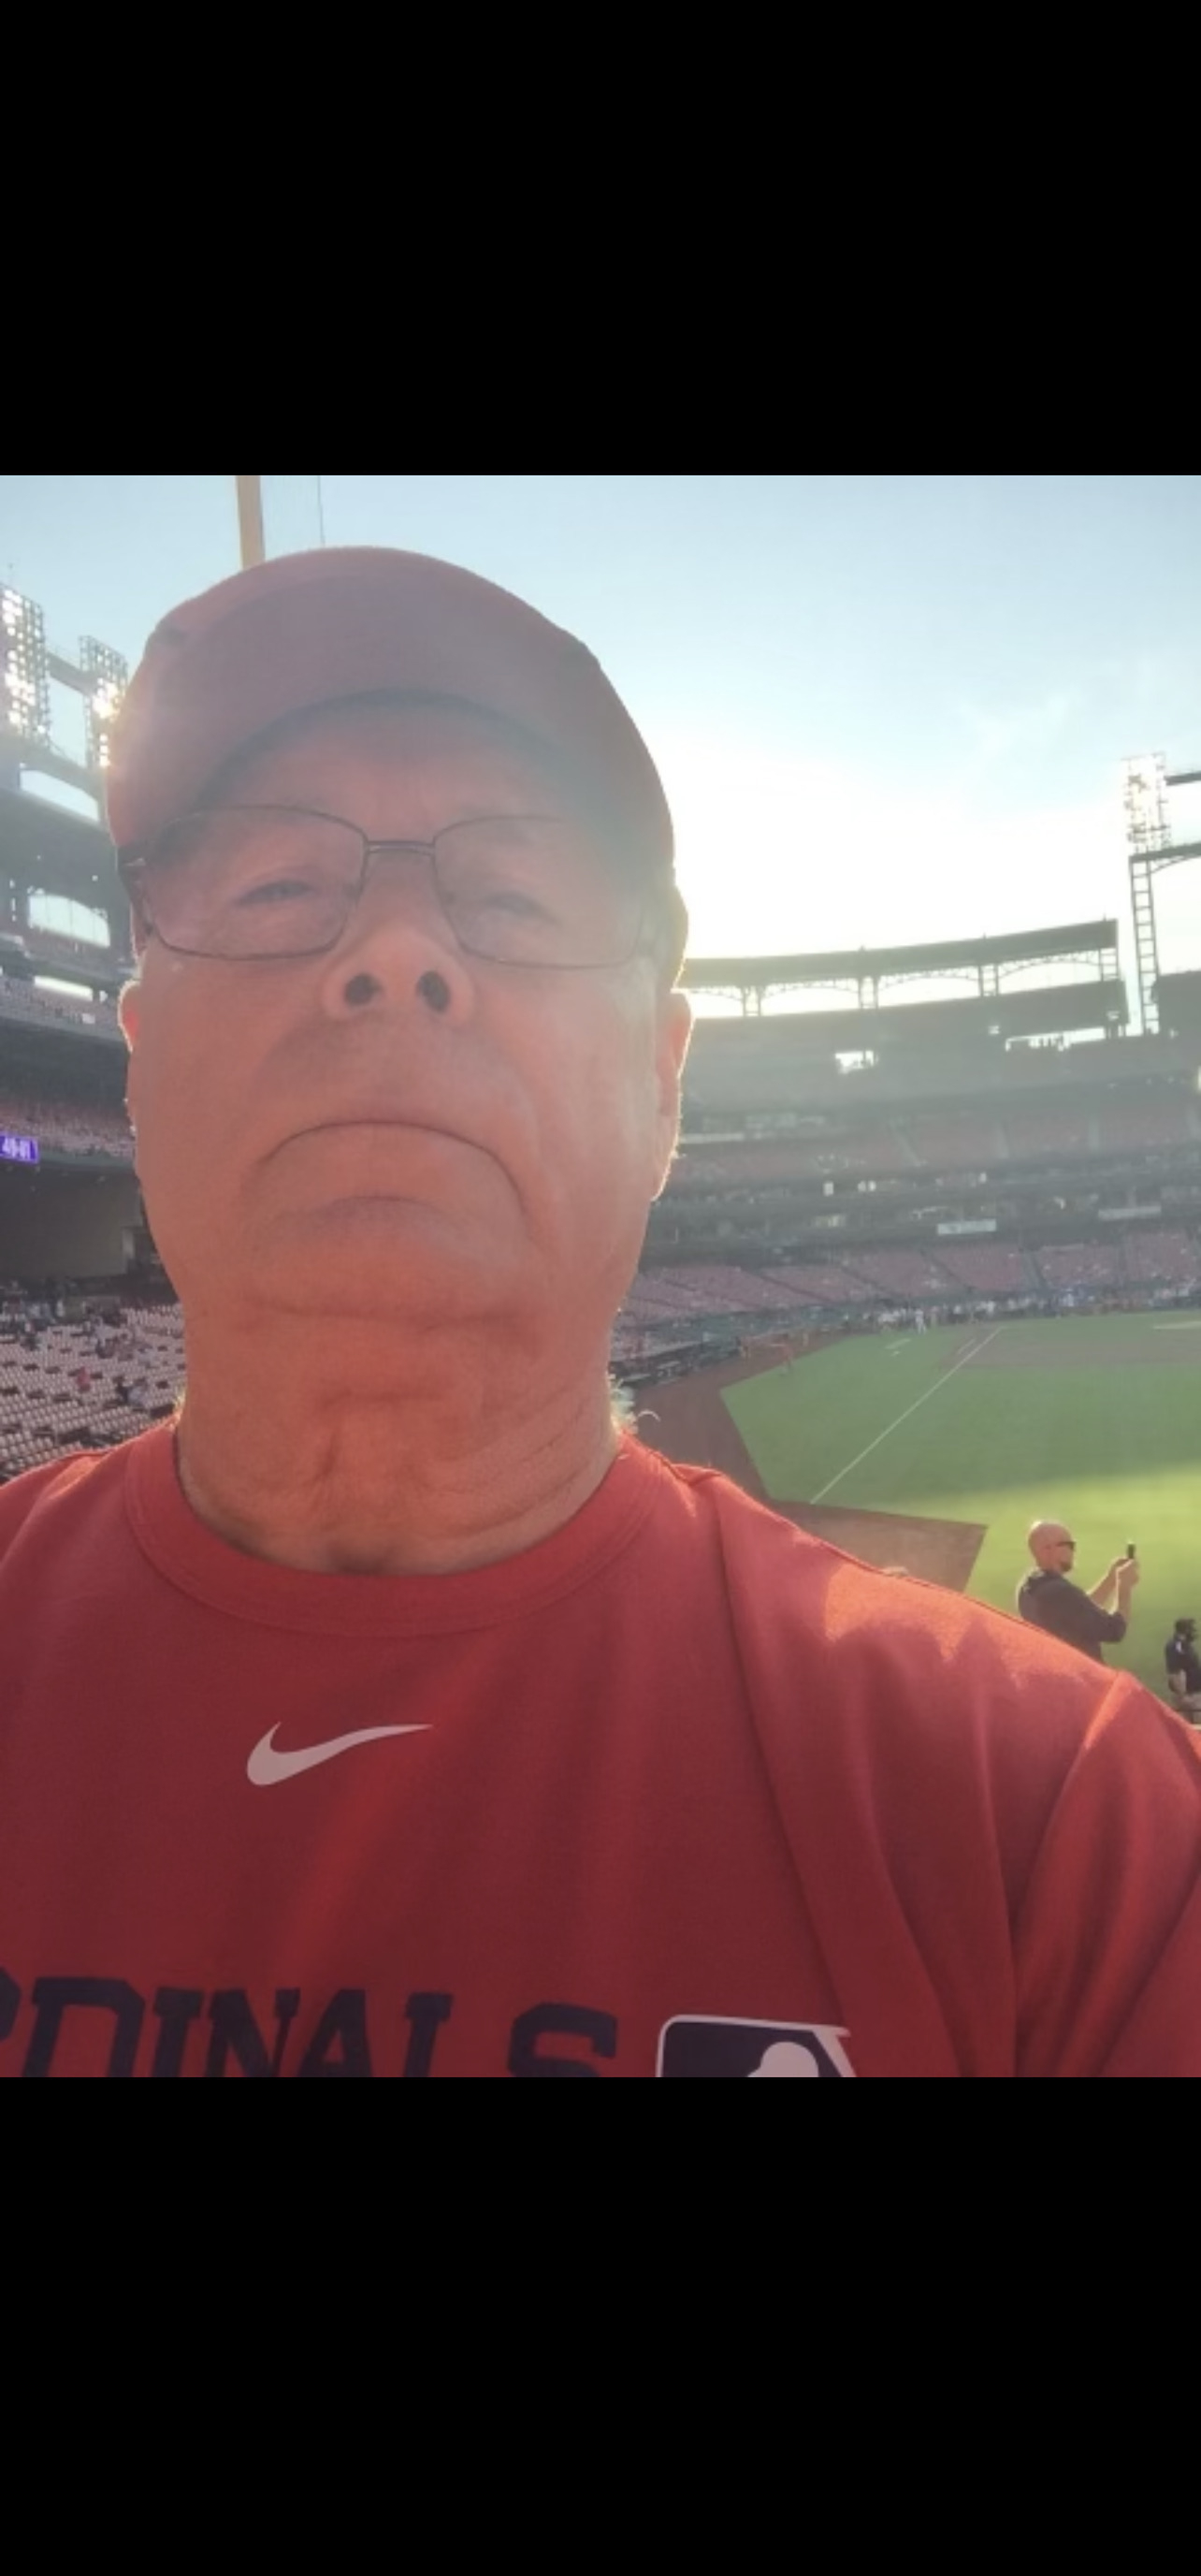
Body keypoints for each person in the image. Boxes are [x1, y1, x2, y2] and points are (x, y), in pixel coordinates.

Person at [0, 545, 1199, 2081]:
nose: (393, 954)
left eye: (513, 896)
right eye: (277, 884)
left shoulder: (1065, 1829)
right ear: (139, 1051)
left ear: (659, 1085)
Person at [1016, 1521, 1138, 1665]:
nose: (1073, 1550)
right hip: (1079, 1672)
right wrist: (1124, 1587)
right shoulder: (1058, 1592)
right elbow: (1114, 1630)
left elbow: (1079, 1609)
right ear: (1047, 1549)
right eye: (1069, 1545)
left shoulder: (1030, 1584)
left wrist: (1111, 1579)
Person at [1164, 1618, 1201, 1725]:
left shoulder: (1184, 1645)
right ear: (1184, 1631)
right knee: (1192, 1727)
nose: (1193, 1632)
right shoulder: (1177, 1647)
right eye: (1191, 1629)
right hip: (1189, 1695)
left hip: (1191, 1694)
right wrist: (1182, 1695)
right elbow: (1176, 1672)